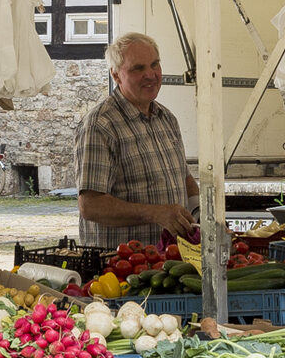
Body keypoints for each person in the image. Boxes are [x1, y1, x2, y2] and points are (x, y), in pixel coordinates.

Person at [77, 33, 198, 250]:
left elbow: (184, 177)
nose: (150, 75)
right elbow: (90, 206)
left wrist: (202, 218)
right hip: (119, 269)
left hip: (168, 264)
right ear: (116, 75)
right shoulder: (101, 125)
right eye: (138, 68)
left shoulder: (167, 118)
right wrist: (156, 213)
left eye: (155, 65)